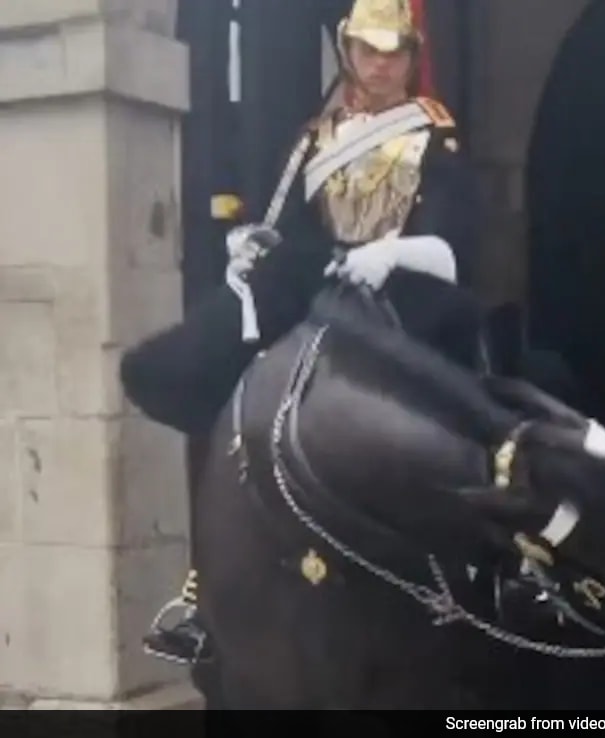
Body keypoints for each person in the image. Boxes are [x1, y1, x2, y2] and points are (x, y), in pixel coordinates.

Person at [120, 0, 482, 665]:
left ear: (410, 56)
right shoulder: (314, 138)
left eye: (393, 52)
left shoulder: (434, 132)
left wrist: (393, 255)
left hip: (401, 287)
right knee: (216, 376)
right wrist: (248, 249)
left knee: (474, 407)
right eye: (368, 51)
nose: (380, 65)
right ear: (348, 50)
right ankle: (205, 590)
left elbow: (460, 245)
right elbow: (283, 223)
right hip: (322, 278)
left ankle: (502, 566)